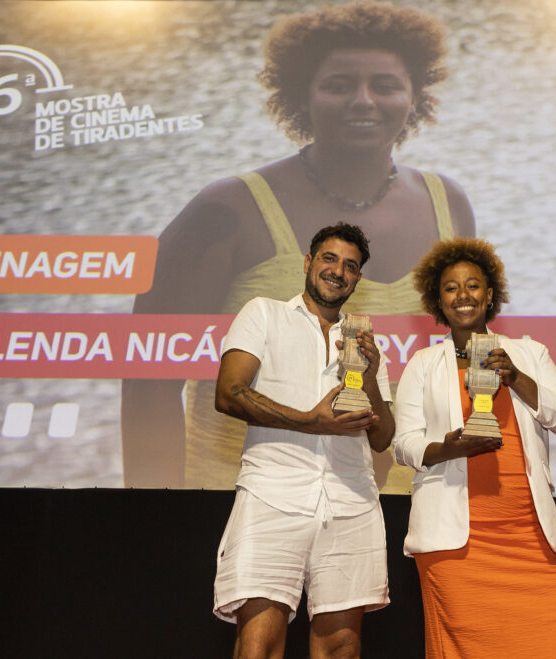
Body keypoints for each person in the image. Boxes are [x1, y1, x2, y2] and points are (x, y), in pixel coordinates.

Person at [121, 2, 474, 489]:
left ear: (416, 96)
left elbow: (461, 368)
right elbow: (148, 385)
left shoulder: (448, 203)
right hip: (244, 498)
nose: (364, 100)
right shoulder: (228, 208)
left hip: (409, 502)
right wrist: (153, 518)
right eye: (338, 85)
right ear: (301, 95)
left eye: (386, 85)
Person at [393, 238, 556, 658]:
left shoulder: (528, 353)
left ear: (490, 296)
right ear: (438, 300)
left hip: (530, 538)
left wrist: (516, 376)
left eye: (473, 285)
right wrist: (447, 448)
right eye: (451, 288)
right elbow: (403, 445)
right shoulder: (422, 365)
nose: (463, 295)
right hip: (457, 550)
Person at [211, 222, 394, 658]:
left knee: (342, 649)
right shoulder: (263, 313)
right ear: (309, 263)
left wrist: (369, 375)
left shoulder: (367, 343)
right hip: (272, 496)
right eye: (329, 259)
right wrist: (311, 421)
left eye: (350, 266)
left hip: (351, 503)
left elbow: (383, 437)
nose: (338, 271)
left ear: (358, 279)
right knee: (259, 647)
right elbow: (228, 393)